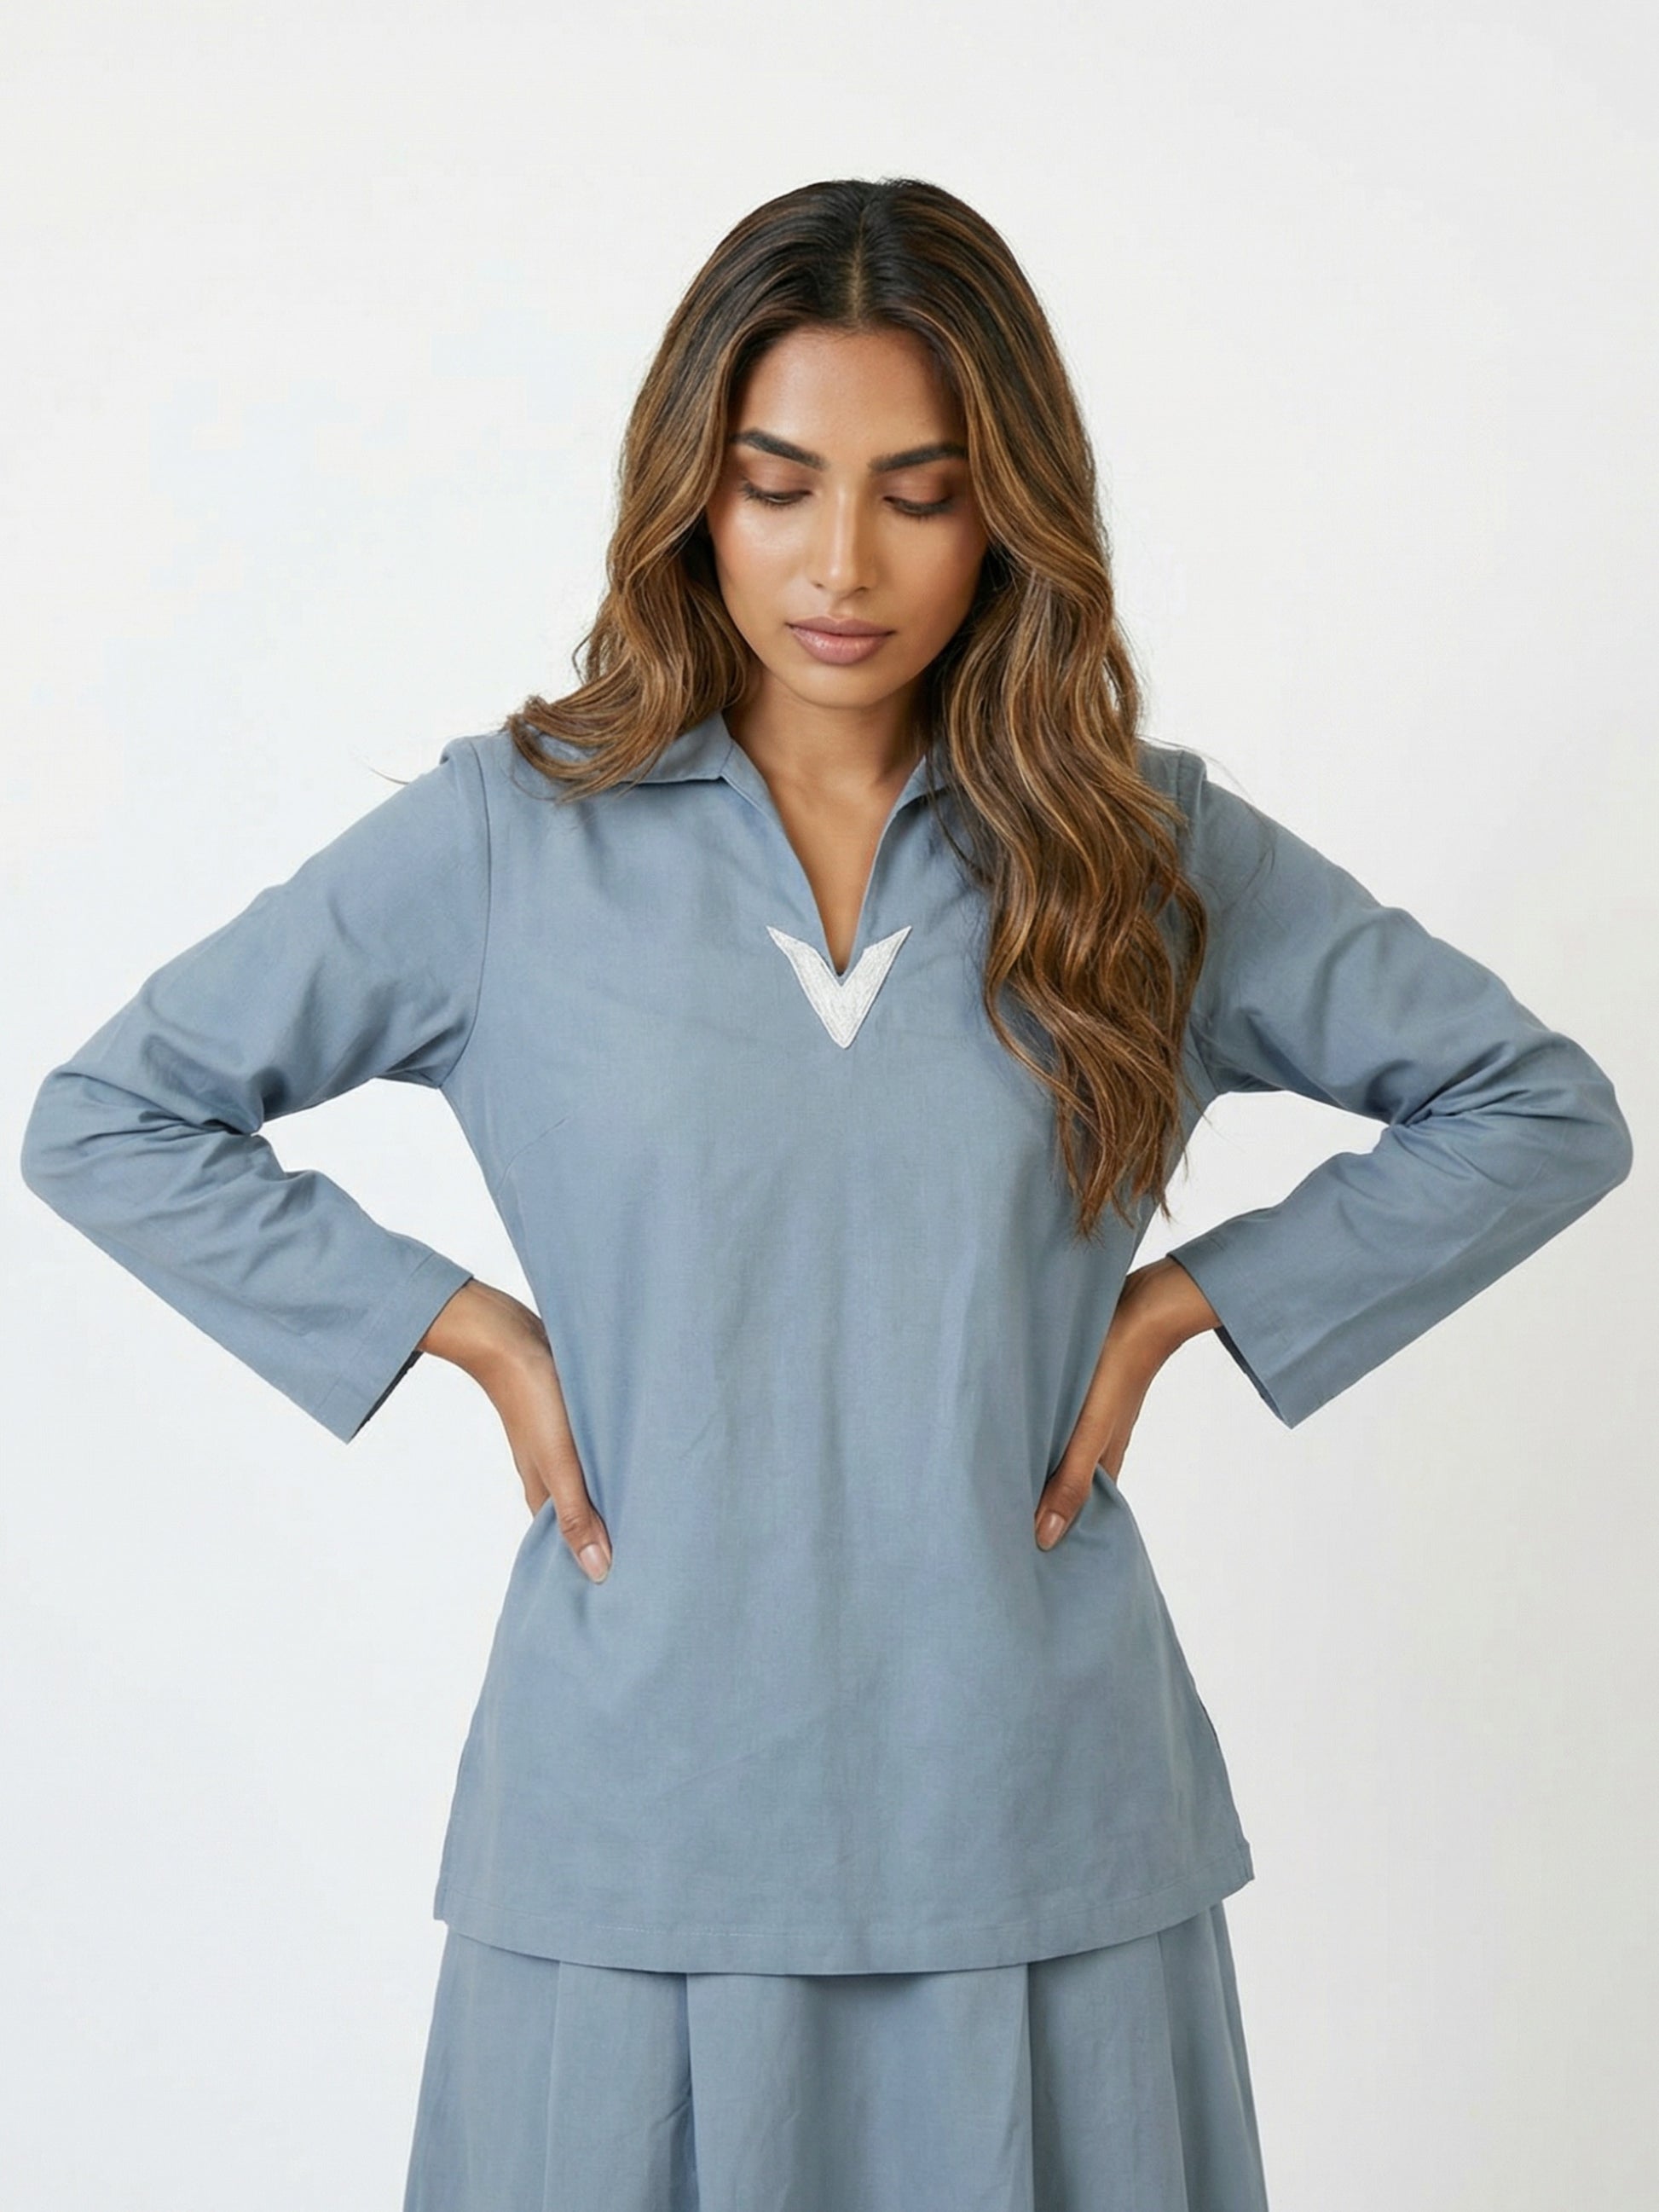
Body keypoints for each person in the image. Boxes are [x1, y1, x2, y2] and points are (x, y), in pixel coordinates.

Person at [18, 176, 1633, 2212]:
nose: (841, 562)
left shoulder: (1135, 851)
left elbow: (1532, 1105)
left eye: (921, 492)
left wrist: (1178, 1306)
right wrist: (473, 1334)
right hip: (636, 1830)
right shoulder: (511, 842)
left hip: (1035, 1823)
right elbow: (111, 1116)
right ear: (691, 493)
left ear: (1009, 513)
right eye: (777, 485)